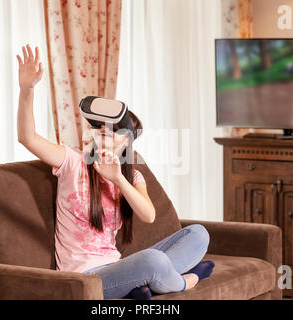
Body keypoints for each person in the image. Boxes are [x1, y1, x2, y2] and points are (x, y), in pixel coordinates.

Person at [16, 44, 214, 299]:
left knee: (198, 234)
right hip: (87, 278)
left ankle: (141, 286)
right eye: (98, 127)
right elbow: (27, 137)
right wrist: (27, 89)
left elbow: (149, 215)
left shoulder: (132, 177)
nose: (103, 133)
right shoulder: (73, 161)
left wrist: (117, 179)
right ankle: (180, 281)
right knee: (153, 261)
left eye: (112, 130)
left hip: (117, 266)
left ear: (126, 141)